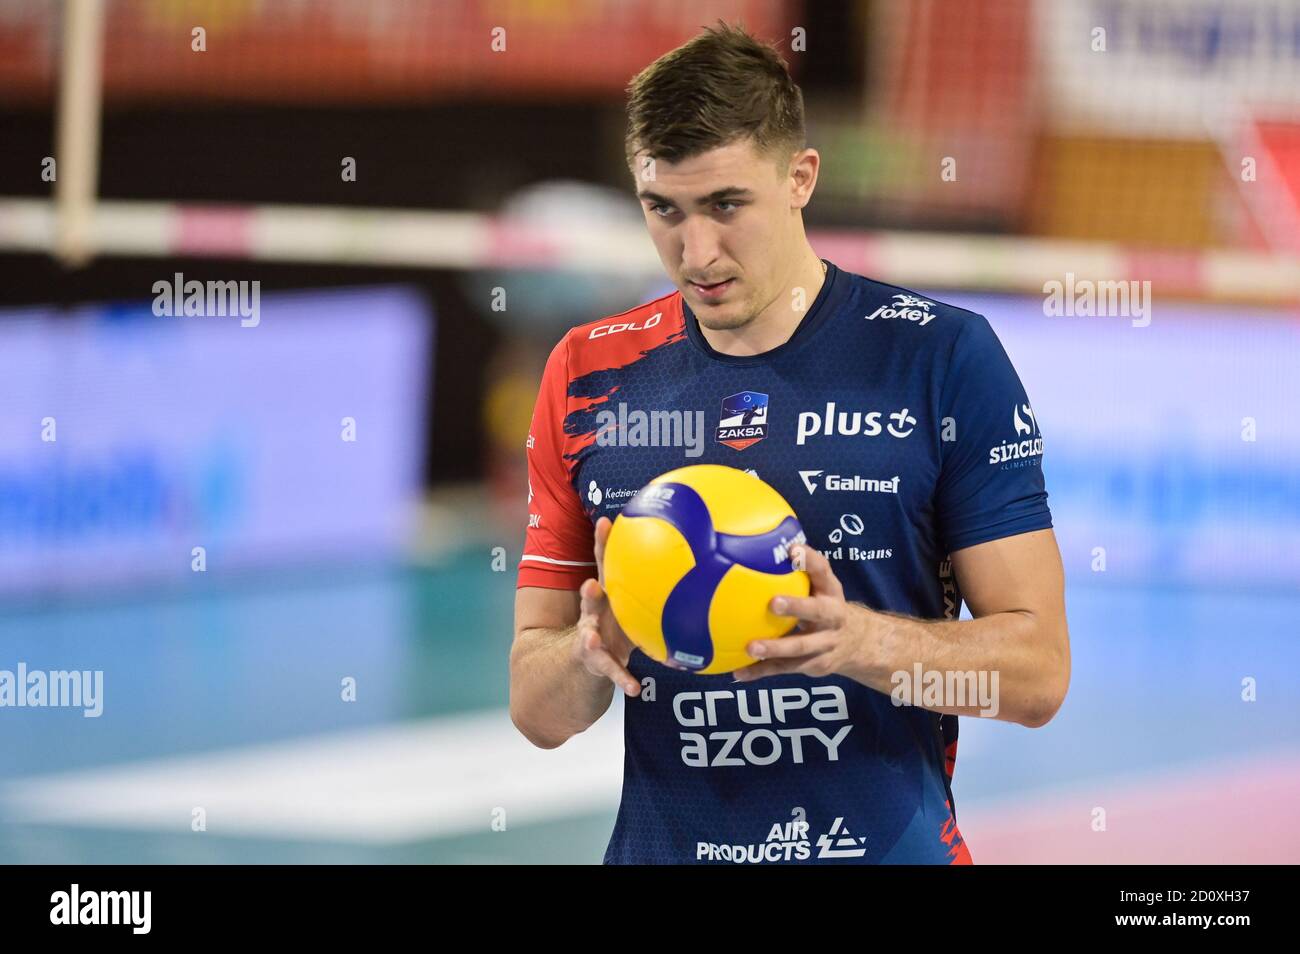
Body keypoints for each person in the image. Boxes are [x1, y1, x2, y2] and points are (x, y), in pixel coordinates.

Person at [510, 22, 1069, 864]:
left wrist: (859, 643)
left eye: (727, 205)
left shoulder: (939, 358)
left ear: (801, 177)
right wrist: (595, 652)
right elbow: (537, 712)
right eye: (664, 210)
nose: (696, 253)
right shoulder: (591, 373)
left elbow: (1038, 677)